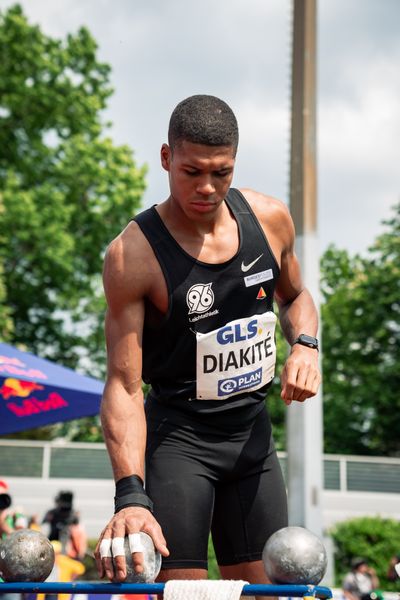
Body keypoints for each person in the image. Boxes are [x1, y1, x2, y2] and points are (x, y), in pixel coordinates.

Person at [95, 95, 321, 586]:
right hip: (179, 442)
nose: (206, 187)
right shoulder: (133, 255)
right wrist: (130, 495)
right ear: (165, 158)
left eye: (221, 172)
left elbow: (297, 297)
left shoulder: (270, 219)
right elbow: (123, 385)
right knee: (189, 595)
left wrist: (304, 344)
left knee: (273, 591)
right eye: (191, 171)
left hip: (252, 440)